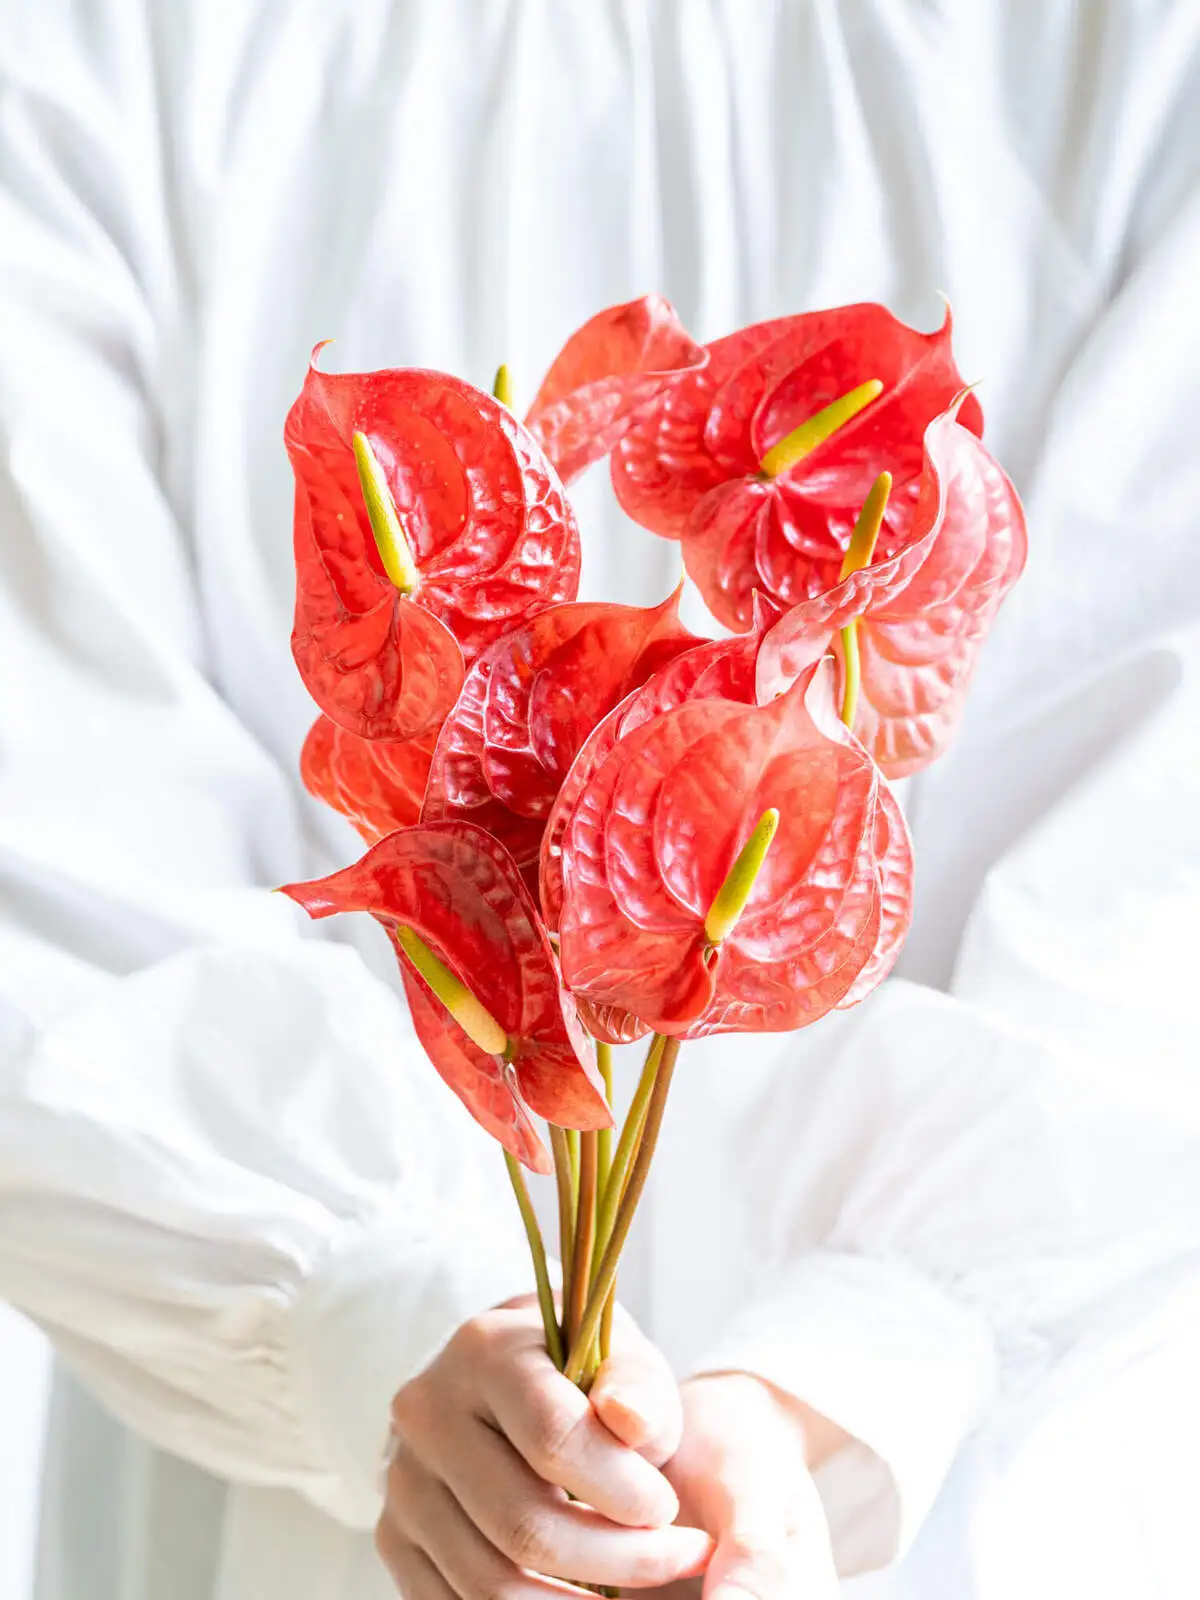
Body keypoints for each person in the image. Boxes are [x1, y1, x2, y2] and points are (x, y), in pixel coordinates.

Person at [2, 1, 1199, 1597]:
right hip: (318, 1483)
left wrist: (831, 1377)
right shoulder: (102, 48)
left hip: (953, 1502)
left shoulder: (1128, 50)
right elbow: (51, 852)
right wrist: (392, 1318)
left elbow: (1155, 871)